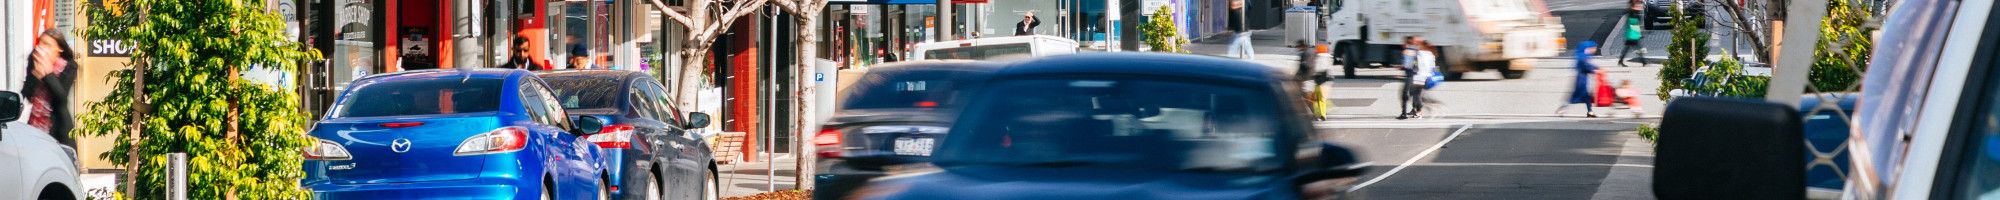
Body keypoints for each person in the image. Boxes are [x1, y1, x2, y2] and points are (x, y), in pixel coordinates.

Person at [25, 30, 79, 148]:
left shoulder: (69, 66)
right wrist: (36, 76)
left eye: (48, 45)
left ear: (59, 48)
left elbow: (61, 99)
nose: (42, 48)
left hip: (59, 130)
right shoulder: (34, 61)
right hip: (35, 127)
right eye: (41, 43)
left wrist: (48, 74)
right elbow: (27, 94)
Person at [1559, 41, 1602, 117]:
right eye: (1594, 48)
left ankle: (1589, 111)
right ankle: (1564, 108)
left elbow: (1587, 65)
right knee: (1582, 95)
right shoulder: (1583, 56)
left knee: (1582, 96)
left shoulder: (1584, 55)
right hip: (1581, 79)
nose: (1595, 49)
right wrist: (1594, 70)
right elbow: (1585, 66)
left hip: (1583, 78)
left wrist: (1596, 68)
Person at [1400, 38, 1439, 119]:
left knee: (1415, 94)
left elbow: (1411, 64)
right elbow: (1433, 67)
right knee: (1417, 94)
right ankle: (1416, 110)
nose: (1417, 45)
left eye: (1418, 44)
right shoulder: (1430, 54)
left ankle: (1419, 111)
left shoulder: (1419, 53)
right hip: (1426, 77)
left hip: (1419, 76)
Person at [1618, 3, 1647, 67]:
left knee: (1627, 48)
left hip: (1633, 33)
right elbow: (1634, 23)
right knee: (1638, 47)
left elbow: (1637, 22)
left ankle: (1621, 60)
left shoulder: (1635, 12)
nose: (1640, 6)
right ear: (1634, 6)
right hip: (1632, 33)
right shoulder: (1632, 12)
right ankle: (1644, 61)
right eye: (1638, 5)